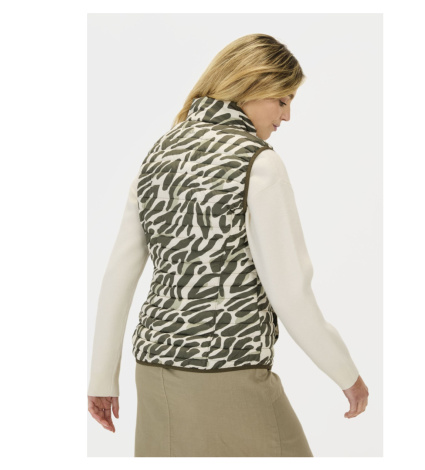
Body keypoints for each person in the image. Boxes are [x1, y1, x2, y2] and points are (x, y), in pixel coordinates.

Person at [87, 33, 369, 457]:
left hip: (153, 371)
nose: (287, 116)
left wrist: (101, 379)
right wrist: (346, 374)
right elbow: (290, 293)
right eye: (282, 100)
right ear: (251, 85)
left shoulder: (159, 155)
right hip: (227, 371)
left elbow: (118, 275)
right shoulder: (257, 161)